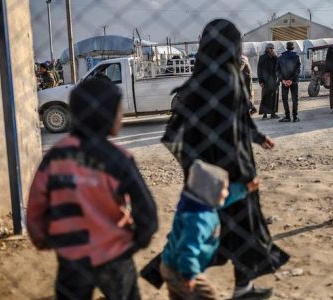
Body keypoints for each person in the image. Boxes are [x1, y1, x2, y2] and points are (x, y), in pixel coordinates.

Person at [151, 19, 289, 300]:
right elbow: (231, 131)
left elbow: (185, 131)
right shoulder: (230, 76)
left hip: (207, 178)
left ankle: (237, 287)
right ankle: (228, 286)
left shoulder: (201, 78)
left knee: (201, 228)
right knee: (242, 230)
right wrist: (245, 175)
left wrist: (257, 137)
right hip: (233, 174)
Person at [26, 78, 158, 300]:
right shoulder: (118, 159)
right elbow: (147, 210)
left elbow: (36, 205)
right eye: (118, 110)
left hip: (72, 257)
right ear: (106, 115)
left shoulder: (55, 156)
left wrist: (43, 239)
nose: (121, 116)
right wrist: (138, 240)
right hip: (114, 255)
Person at [160, 160, 258, 300]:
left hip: (169, 264)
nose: (225, 193)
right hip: (181, 270)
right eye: (223, 189)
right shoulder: (199, 219)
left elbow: (225, 199)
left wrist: (245, 189)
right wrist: (189, 276)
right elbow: (187, 249)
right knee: (209, 296)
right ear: (210, 192)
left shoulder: (194, 203)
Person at [277, 41, 301, 122]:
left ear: (286, 47)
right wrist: (291, 80)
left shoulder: (280, 57)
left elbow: (277, 70)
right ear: (293, 47)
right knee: (295, 99)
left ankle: (287, 116)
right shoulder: (296, 57)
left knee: (285, 99)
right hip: (293, 81)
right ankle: (295, 117)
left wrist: (283, 80)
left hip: (284, 82)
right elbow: (298, 70)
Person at [257, 43, 279, 120]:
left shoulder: (274, 58)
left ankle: (273, 113)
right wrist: (260, 81)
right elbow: (259, 70)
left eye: (272, 48)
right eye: (270, 48)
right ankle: (265, 114)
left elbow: (279, 65)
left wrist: (275, 56)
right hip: (265, 81)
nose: (272, 50)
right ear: (266, 49)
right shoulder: (262, 58)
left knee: (274, 97)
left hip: (273, 80)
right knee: (265, 96)